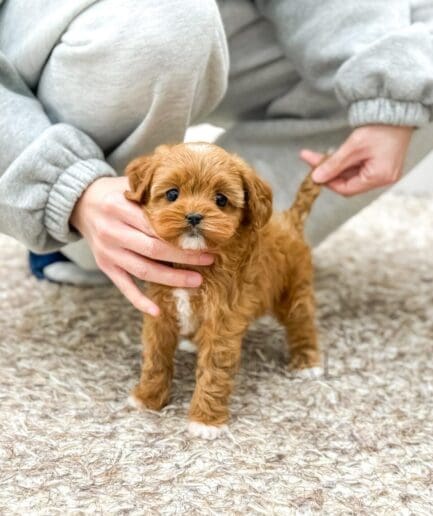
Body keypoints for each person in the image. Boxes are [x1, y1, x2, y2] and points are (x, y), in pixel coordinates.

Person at [0, 0, 432, 316]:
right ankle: (91, 236)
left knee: (416, 55)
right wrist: (68, 189)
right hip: (69, 37)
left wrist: (389, 96)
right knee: (169, 19)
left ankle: (232, 257)